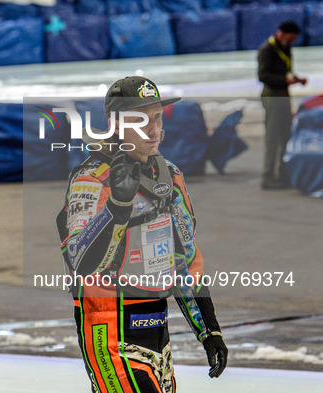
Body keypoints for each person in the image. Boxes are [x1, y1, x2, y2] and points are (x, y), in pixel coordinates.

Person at [57, 76, 228, 393]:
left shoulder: (171, 176)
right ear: (115, 124)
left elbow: (185, 261)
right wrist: (116, 209)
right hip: (108, 330)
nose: (153, 130)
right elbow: (78, 261)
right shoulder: (91, 179)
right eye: (140, 120)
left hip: (157, 332)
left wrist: (209, 331)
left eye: (157, 117)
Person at [257, 20, 307, 190]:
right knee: (273, 138)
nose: (293, 41)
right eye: (291, 38)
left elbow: (285, 70)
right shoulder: (267, 49)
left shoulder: (286, 48)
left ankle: (284, 174)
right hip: (272, 97)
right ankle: (268, 176)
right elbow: (263, 76)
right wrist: (284, 81)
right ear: (282, 34)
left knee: (286, 136)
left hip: (284, 96)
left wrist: (296, 79)